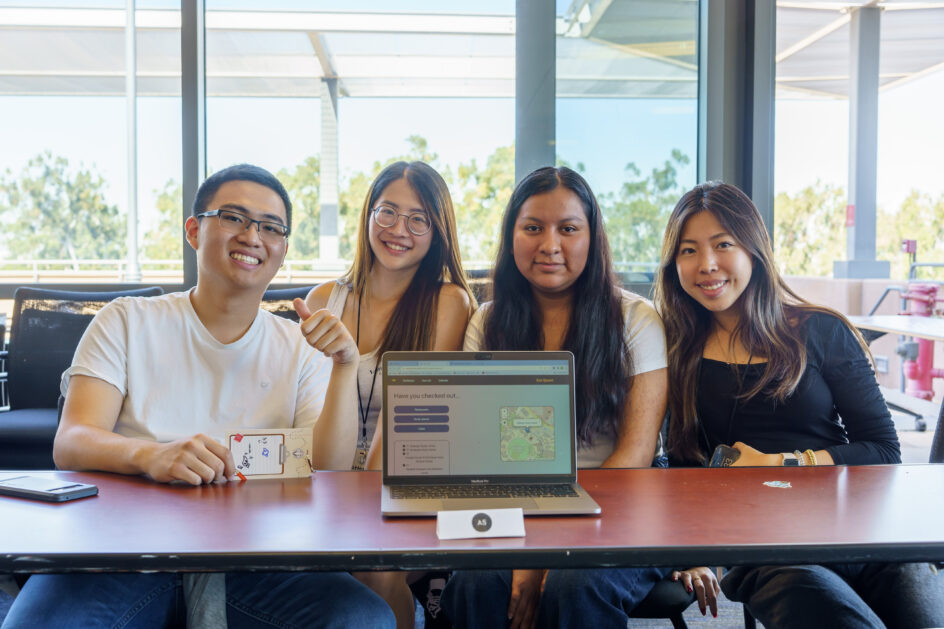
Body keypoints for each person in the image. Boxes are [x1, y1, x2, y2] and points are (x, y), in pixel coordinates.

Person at [1, 164, 395, 629]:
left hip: (259, 558)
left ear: (282, 250)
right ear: (194, 230)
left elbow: (325, 466)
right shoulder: (126, 320)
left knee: (363, 618)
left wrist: (345, 366)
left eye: (271, 227)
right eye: (233, 217)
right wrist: (152, 456)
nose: (252, 236)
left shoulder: (301, 347)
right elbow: (72, 440)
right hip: (125, 552)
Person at [653, 180, 944, 629]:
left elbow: (884, 449)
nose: (706, 265)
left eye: (723, 244)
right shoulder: (675, 351)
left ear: (755, 249)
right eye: (688, 250)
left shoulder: (820, 331)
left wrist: (779, 463)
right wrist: (690, 553)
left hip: (863, 534)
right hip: (764, 550)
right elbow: (680, 466)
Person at [441, 166, 719, 629]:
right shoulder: (486, 322)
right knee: (476, 581)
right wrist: (527, 556)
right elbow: (487, 457)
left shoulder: (636, 319)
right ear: (512, 237)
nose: (550, 245)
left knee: (573, 585)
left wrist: (542, 559)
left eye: (568, 229)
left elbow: (634, 457)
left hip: (620, 504)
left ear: (592, 238)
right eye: (533, 228)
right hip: (517, 504)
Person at [304, 160, 474, 628]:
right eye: (388, 213)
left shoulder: (447, 303)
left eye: (418, 219)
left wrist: (355, 504)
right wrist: (334, 490)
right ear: (368, 215)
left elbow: (409, 427)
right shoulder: (324, 299)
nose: (400, 229)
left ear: (437, 231)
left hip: (410, 477)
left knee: (376, 566)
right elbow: (311, 417)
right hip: (327, 475)